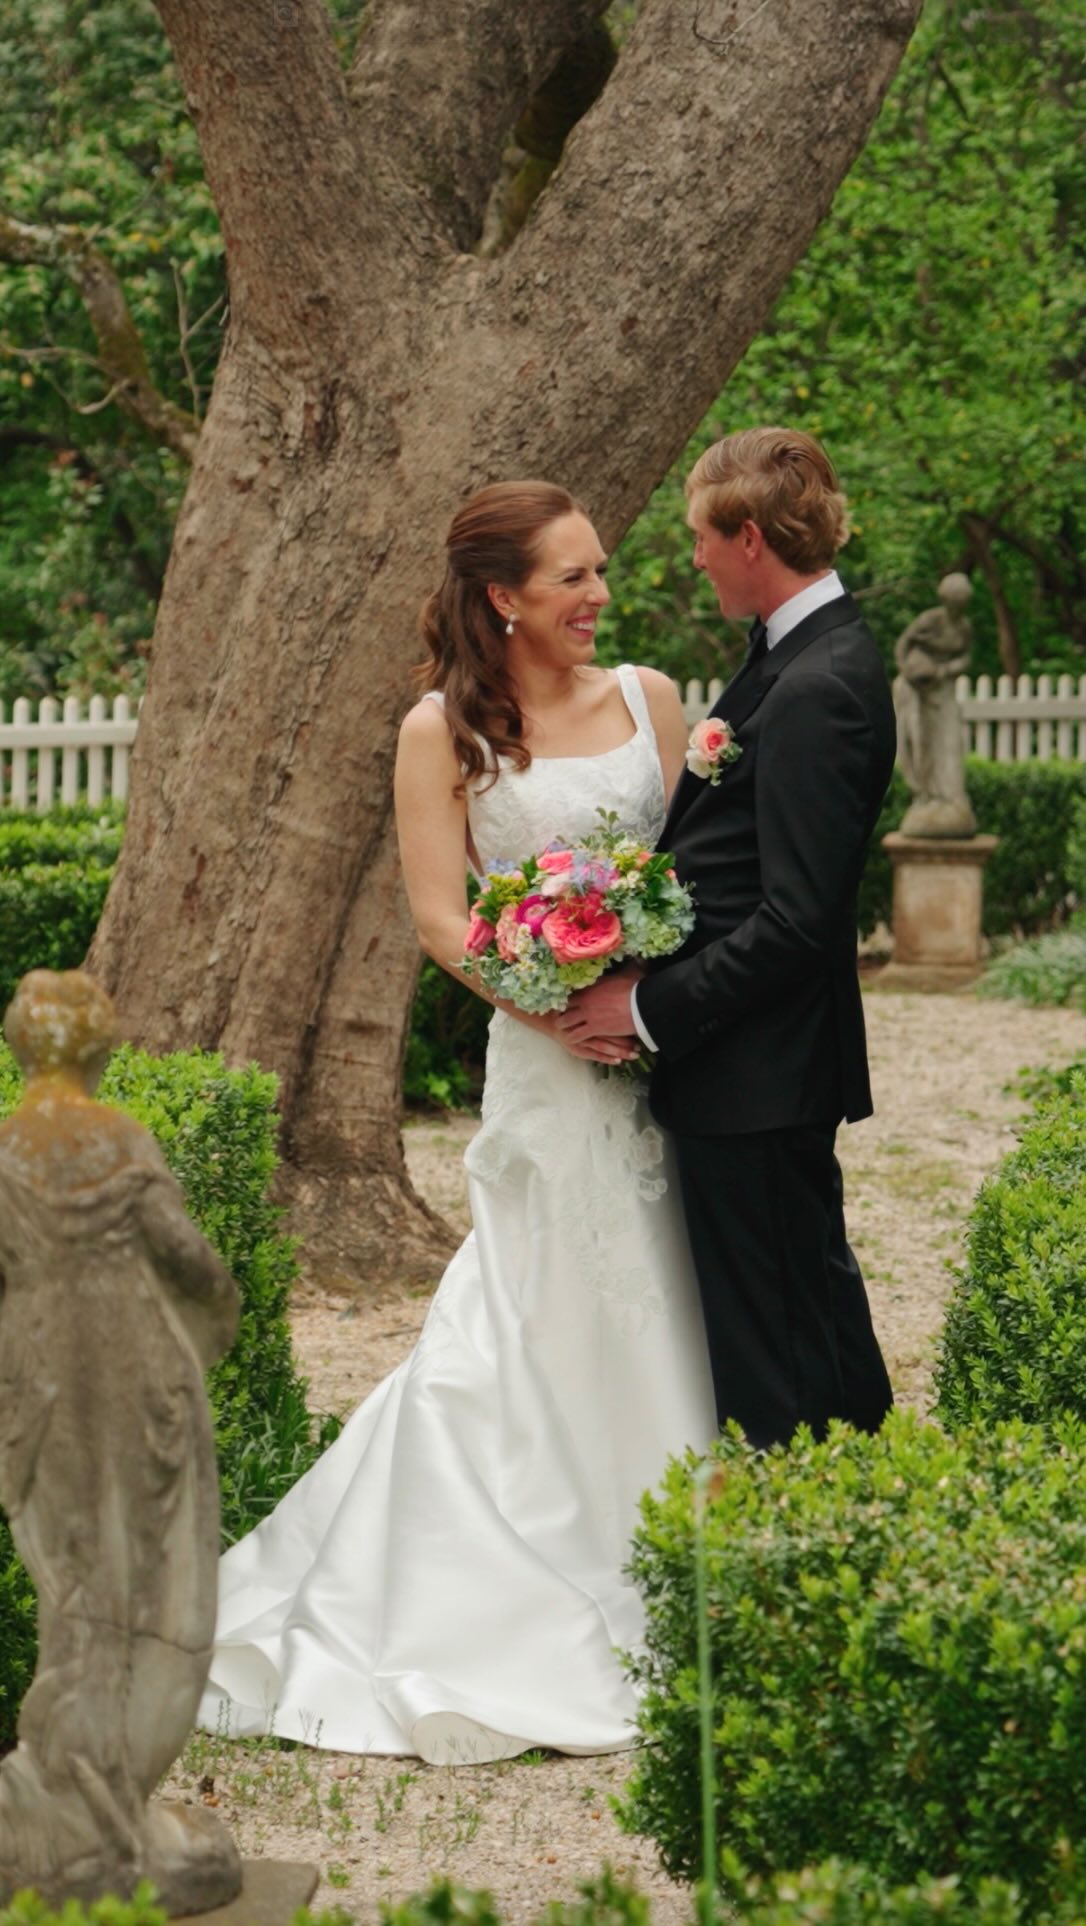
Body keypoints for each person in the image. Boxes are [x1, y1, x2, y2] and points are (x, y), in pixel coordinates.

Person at [198, 481, 716, 1765]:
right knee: (535, 1301)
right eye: (573, 580)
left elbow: (697, 876)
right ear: (503, 597)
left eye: (602, 573)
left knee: (678, 1283)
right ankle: (499, 1576)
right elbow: (443, 920)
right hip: (545, 1063)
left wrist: (644, 999)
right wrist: (556, 1009)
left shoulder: (654, 702)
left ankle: (691, 1565)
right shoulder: (440, 730)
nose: (602, 598)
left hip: (661, 1057)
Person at [559, 427, 895, 1450]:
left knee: (773, 1340)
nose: (693, 557)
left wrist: (650, 1006)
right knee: (800, 1307)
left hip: (763, 1072)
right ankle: (861, 1490)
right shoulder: (787, 654)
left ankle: (804, 1532)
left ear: (749, 537)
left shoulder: (822, 684)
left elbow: (799, 918)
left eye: (702, 536)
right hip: (750, 1069)